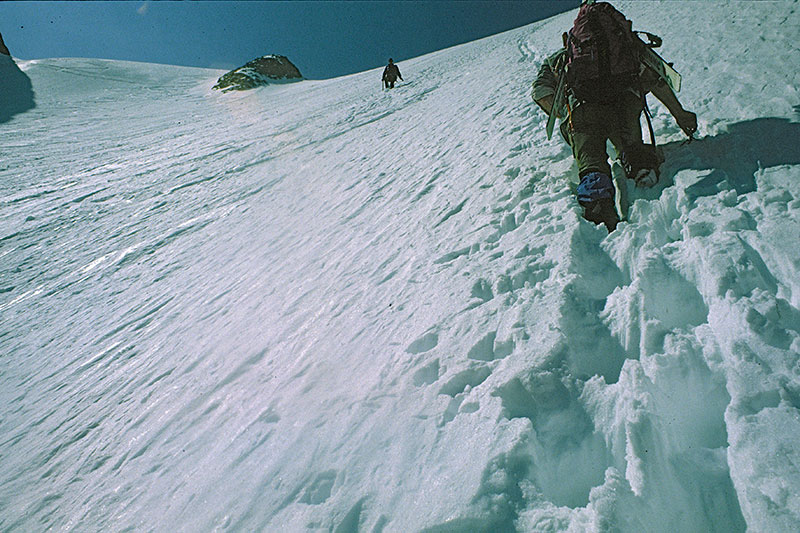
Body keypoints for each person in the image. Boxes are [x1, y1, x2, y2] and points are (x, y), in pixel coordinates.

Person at [532, 2, 697, 232]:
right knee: (631, 148)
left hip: (583, 110)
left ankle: (598, 202)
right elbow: (657, 76)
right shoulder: (626, 46)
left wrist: (562, 112)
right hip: (623, 106)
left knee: (590, 160)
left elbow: (540, 91)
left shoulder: (563, 57)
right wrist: (680, 116)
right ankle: (642, 173)